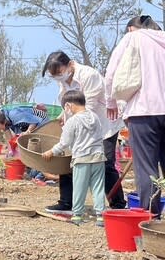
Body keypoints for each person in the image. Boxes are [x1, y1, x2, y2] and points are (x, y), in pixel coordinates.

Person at [42, 50, 125, 214]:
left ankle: (118, 205)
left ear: (69, 65)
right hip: (77, 124)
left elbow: (89, 107)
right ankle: (67, 202)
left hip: (104, 123)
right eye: (54, 76)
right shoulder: (64, 82)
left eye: (59, 72)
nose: (58, 77)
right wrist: (62, 115)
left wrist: (72, 124)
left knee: (106, 162)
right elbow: (69, 103)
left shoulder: (88, 75)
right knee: (68, 160)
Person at [105, 15, 165, 218]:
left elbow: (112, 72)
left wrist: (111, 102)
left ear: (132, 28)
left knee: (146, 167)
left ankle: (151, 216)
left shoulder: (133, 38)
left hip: (143, 110)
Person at [42, 90, 106, 226]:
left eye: (65, 108)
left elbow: (64, 143)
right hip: (98, 157)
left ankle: (77, 215)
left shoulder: (73, 121)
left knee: (79, 187)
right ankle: (101, 216)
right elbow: (101, 135)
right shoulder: (95, 117)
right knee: (98, 188)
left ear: (69, 106)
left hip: (82, 158)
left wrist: (51, 152)